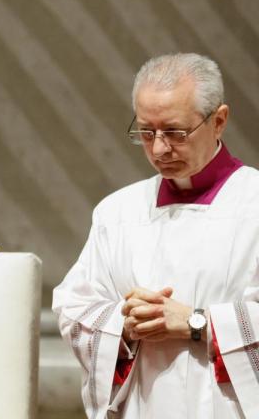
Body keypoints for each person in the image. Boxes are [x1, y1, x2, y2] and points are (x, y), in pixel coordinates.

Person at [53, 52, 259, 418]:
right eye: (146, 133)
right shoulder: (116, 213)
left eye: (175, 132)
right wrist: (124, 325)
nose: (160, 149)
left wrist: (198, 323)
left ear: (219, 121)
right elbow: (74, 309)